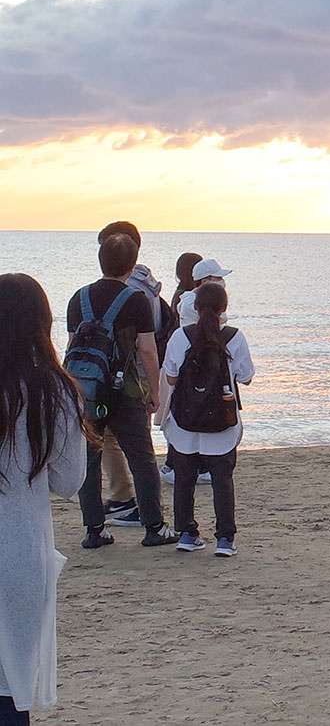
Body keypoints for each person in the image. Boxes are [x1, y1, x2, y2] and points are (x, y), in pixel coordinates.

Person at [0, 273, 93, 723]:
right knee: (12, 689)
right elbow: (68, 481)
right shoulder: (52, 390)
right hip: (18, 554)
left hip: (20, 552)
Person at [67, 231, 177, 547]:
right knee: (141, 459)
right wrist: (154, 390)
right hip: (125, 390)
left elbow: (75, 344)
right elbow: (147, 349)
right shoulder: (135, 300)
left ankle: (95, 530)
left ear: (100, 260)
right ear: (132, 265)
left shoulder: (79, 297)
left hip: (86, 389)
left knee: (90, 460)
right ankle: (154, 528)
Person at [160, 281, 254, 556]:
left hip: (184, 420)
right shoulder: (235, 337)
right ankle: (225, 539)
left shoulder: (181, 336)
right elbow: (246, 377)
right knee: (222, 479)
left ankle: (187, 534)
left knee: (184, 477)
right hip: (223, 419)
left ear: (196, 307)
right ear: (224, 308)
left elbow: (171, 377)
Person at [175, 258, 231, 325]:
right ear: (204, 281)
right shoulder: (190, 302)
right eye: (218, 278)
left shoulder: (211, 298)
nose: (222, 281)